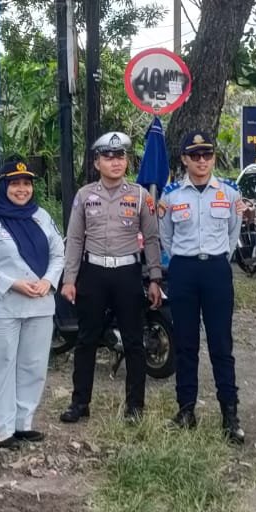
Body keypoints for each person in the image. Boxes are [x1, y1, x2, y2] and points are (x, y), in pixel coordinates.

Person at [59, 131, 164, 424]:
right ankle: (80, 403)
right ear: (97, 163)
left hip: (127, 273)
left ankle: (135, 407)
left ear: (127, 161)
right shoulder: (84, 196)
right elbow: (75, 239)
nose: (115, 162)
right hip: (93, 273)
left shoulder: (140, 196)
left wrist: (155, 278)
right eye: (108, 157)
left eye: (120, 156)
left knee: (133, 341)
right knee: (86, 340)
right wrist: (70, 279)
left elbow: (151, 239)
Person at [158, 130, 246, 443]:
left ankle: (229, 415)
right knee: (185, 344)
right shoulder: (170, 195)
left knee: (221, 345)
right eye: (194, 155)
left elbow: (233, 232)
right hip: (183, 270)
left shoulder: (230, 192)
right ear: (184, 159)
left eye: (206, 154)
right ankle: (186, 410)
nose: (201, 160)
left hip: (216, 271)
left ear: (213, 158)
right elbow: (165, 237)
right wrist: (184, 261)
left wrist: (218, 258)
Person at [0, 157, 63, 451]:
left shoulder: (42, 216)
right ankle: (4, 429)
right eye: (15, 183)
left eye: (26, 183)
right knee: (2, 366)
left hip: (39, 304)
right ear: (3, 186)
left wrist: (48, 280)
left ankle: (24, 423)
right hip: (1, 307)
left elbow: (58, 254)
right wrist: (13, 283)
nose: (22, 189)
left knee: (34, 365)